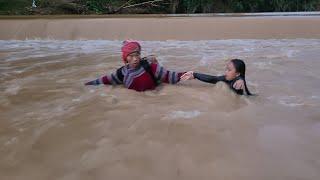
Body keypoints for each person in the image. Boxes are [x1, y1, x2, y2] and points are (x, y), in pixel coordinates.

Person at [85, 40, 186, 91]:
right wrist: (87, 84)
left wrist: (189, 74)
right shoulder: (121, 73)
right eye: (131, 56)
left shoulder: (150, 67)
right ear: (125, 58)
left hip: (155, 100)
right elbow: (104, 80)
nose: (135, 59)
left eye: (137, 55)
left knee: (152, 60)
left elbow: (170, 76)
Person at [181, 59, 252, 95]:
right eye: (226, 69)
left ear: (237, 74)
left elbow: (241, 82)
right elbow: (213, 79)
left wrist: (241, 79)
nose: (226, 72)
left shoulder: (239, 82)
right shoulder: (228, 78)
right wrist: (194, 75)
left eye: (229, 70)